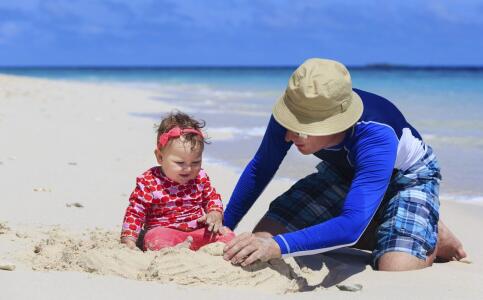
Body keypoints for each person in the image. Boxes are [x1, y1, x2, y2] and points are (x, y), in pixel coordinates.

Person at [222, 58, 466, 271]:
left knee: (395, 266)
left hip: (407, 177)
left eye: (303, 127)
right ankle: (385, 224)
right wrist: (223, 230)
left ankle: (430, 234)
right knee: (261, 238)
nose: (288, 135)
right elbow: (260, 168)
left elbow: (350, 228)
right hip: (342, 172)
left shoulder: (375, 135)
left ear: (336, 123)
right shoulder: (295, 107)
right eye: (291, 122)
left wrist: (278, 247)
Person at [121, 111, 235, 251]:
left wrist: (215, 212)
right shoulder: (149, 181)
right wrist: (129, 239)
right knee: (154, 238)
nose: (188, 169)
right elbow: (135, 212)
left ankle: (194, 247)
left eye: (195, 162)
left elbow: (212, 197)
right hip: (165, 232)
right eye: (180, 162)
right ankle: (174, 251)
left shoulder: (200, 177)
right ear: (160, 157)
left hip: (196, 232)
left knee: (227, 235)